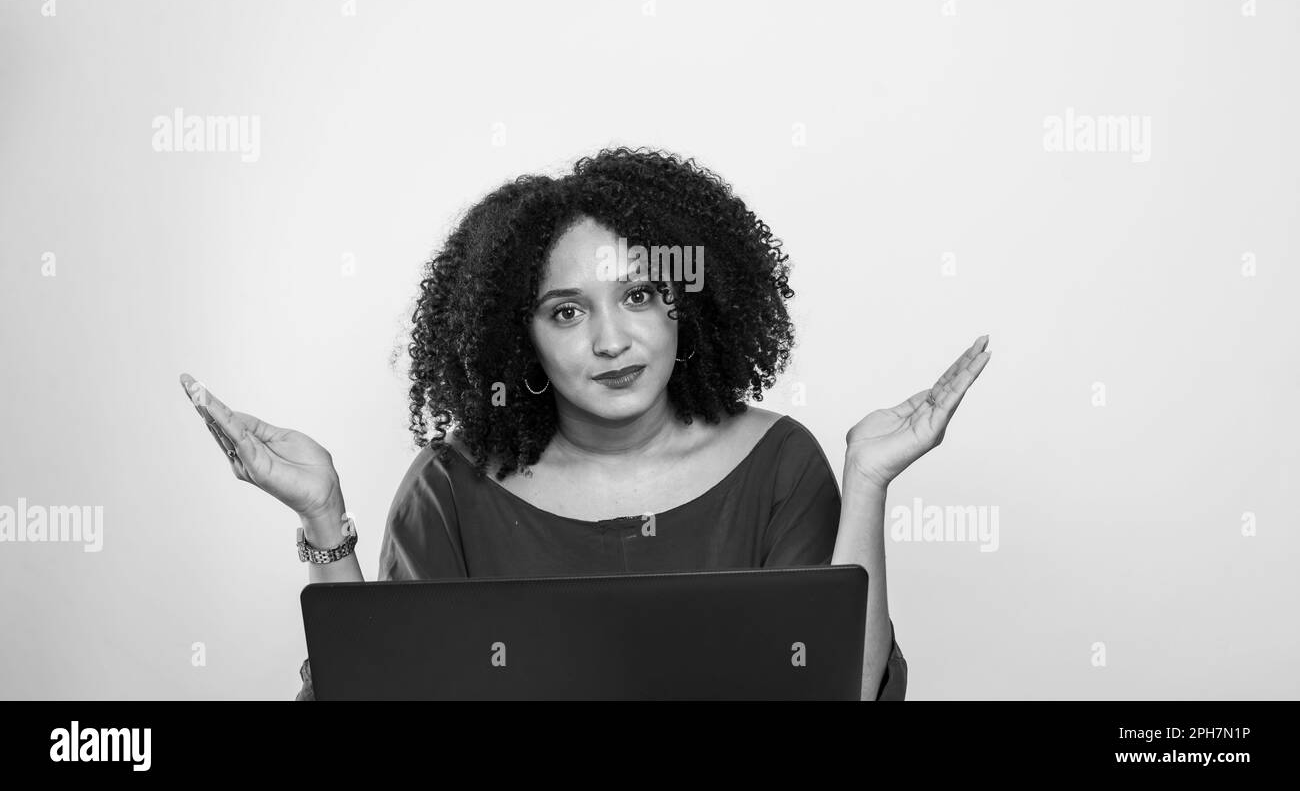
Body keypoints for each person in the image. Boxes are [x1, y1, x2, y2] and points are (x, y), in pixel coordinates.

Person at [178, 146, 991, 701]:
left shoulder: (778, 465)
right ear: (518, 335)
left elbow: (841, 693)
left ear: (688, 306)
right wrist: (324, 518)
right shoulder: (452, 489)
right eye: (567, 311)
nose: (611, 341)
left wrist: (869, 482)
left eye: (639, 296)